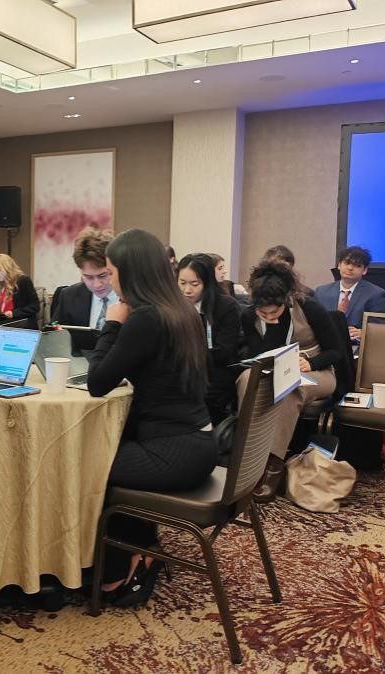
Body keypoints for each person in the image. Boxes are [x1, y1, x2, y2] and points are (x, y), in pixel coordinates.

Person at [88, 229, 217, 607]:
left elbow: (97, 383)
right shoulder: (182, 310)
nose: (110, 281)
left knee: (86, 464)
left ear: (130, 273)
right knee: (113, 452)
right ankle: (142, 549)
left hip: (172, 453)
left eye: (111, 272)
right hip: (198, 443)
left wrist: (112, 323)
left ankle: (117, 569)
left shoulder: (145, 318)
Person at [240, 259, 342, 502]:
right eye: (263, 313)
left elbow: (336, 351)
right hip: (276, 370)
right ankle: (248, 456)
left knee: (289, 389)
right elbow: (258, 353)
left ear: (286, 299)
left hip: (317, 372)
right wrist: (272, 332)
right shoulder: (248, 316)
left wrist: (311, 363)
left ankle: (272, 467)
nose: (269, 317)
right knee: (246, 379)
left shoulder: (309, 308)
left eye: (274, 312)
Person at [177, 253, 242, 423]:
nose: (187, 290)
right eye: (182, 283)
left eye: (195, 284)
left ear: (208, 283)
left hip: (215, 371)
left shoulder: (226, 306)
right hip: (180, 370)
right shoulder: (174, 307)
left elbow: (224, 352)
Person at [314, 246, 385, 342]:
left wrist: (363, 333)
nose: (350, 268)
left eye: (357, 265)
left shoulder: (376, 294)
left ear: (365, 270)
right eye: (346, 263)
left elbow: (378, 328)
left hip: (356, 345)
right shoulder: (321, 292)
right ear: (339, 265)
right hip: (326, 343)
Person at [51, 227, 118, 328]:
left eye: (102, 275)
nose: (97, 285)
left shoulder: (133, 298)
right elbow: (53, 334)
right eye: (88, 277)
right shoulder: (69, 296)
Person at [0, 253, 39, 329]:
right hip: (4, 319)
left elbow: (35, 306)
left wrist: (13, 313)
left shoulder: (23, 281)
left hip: (20, 320)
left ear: (7, 269)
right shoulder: (0, 284)